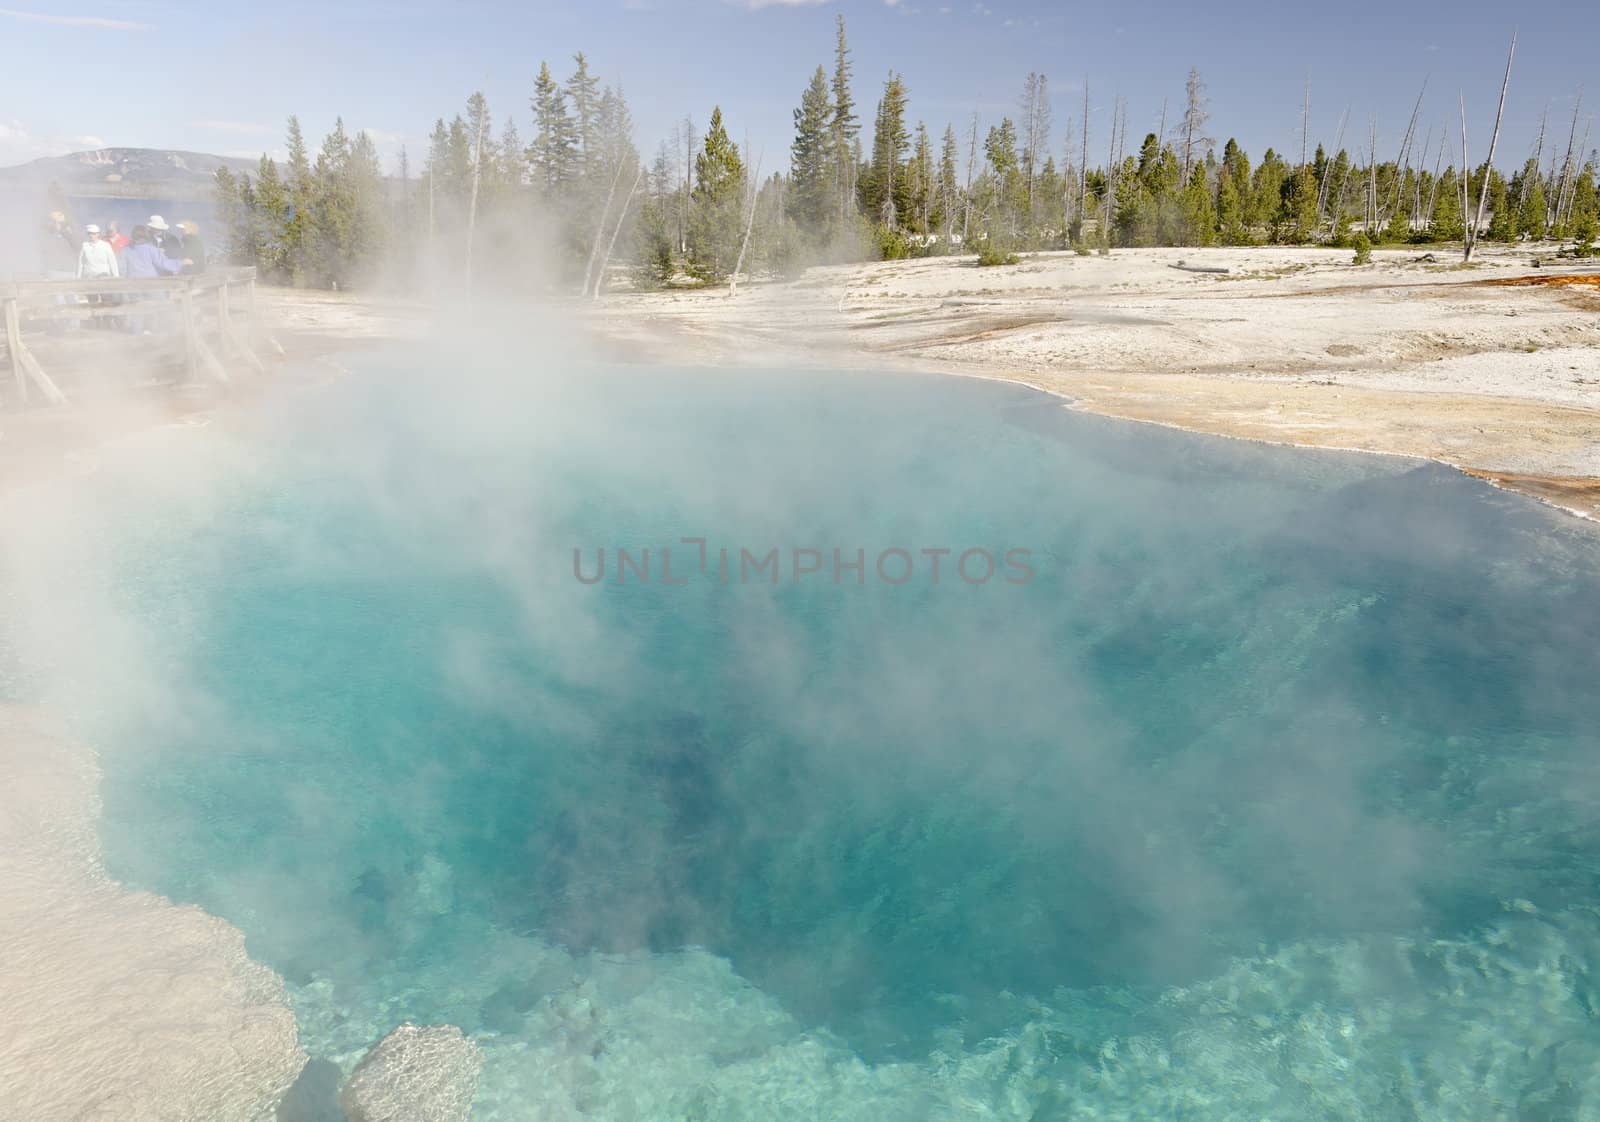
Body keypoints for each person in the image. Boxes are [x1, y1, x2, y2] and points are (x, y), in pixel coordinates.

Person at [121, 224, 190, 335]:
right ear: (146, 235)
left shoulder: (126, 250)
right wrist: (180, 262)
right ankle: (167, 335)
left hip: (133, 286)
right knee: (162, 307)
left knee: (137, 312)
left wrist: (123, 285)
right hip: (152, 284)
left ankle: (136, 339)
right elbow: (163, 263)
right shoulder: (151, 249)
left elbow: (122, 270)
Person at [76, 224, 119, 330]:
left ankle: (107, 324)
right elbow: (81, 262)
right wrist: (78, 277)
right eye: (90, 234)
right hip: (89, 277)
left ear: (98, 234)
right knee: (93, 302)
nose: (92, 236)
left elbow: (112, 261)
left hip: (104, 276)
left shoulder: (105, 245)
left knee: (106, 300)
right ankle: (97, 324)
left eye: (94, 233)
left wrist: (116, 276)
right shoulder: (84, 245)